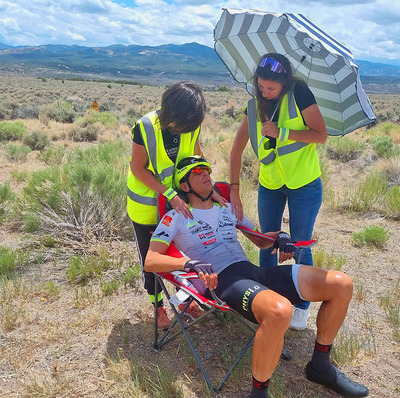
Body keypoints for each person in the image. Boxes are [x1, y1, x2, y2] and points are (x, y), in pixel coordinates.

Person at [145, 156, 369, 398]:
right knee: (279, 311)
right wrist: (188, 263)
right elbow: (151, 261)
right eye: (197, 171)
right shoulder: (176, 217)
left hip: (253, 272)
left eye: (207, 169)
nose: (206, 173)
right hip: (223, 281)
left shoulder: (228, 209)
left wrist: (280, 236)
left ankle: (320, 367)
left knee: (340, 284)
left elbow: (260, 240)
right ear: (185, 186)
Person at [229, 53, 328, 330]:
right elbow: (236, 150)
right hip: (270, 185)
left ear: (284, 84)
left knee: (299, 243)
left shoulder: (300, 93)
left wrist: (282, 132)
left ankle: (302, 307)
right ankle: (267, 296)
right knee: (266, 241)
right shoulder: (255, 105)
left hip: (304, 184)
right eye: (261, 87)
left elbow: (320, 134)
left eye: (271, 89)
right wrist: (234, 189)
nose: (265, 92)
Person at [127, 81, 225, 330]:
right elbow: (137, 168)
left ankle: (183, 299)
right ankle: (158, 305)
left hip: (178, 205)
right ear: (170, 113)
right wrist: (168, 192)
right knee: (154, 258)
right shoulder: (145, 127)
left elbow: (196, 159)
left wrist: (209, 188)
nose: (184, 130)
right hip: (147, 207)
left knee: (184, 256)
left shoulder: (192, 123)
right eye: (180, 125)